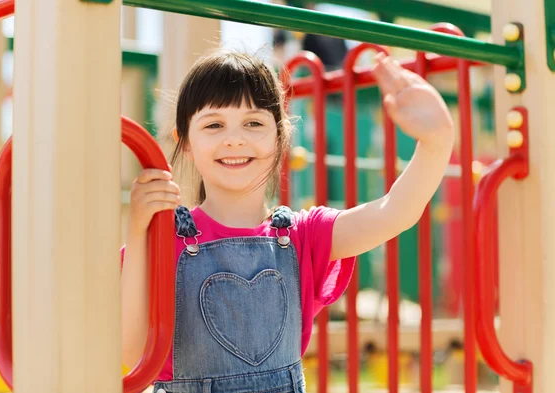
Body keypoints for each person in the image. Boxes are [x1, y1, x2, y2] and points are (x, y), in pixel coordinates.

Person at [121, 49, 454, 393]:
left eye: (253, 123)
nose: (234, 138)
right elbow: (132, 351)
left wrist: (436, 140)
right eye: (214, 124)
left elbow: (394, 213)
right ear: (185, 141)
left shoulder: (302, 236)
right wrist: (138, 229)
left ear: (280, 136)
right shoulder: (164, 239)